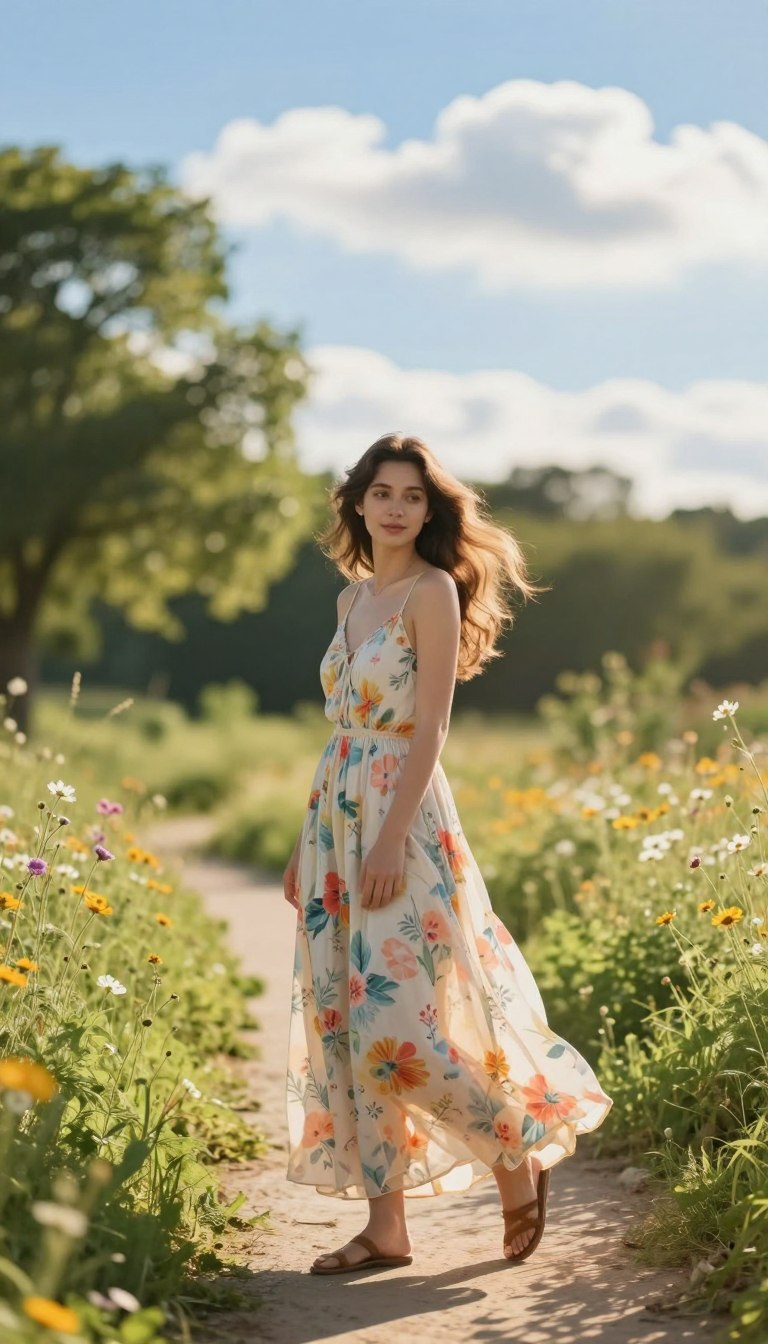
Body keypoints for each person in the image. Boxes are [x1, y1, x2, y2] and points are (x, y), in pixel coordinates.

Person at [282, 432, 613, 1275]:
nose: (395, 507)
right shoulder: (352, 599)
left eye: (412, 496)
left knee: (403, 1029)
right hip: (334, 817)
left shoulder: (431, 592)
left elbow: (429, 728)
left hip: (402, 817)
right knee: (348, 1030)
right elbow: (341, 737)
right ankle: (386, 1227)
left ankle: (514, 1153)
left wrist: (390, 837)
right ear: (358, 502)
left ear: (431, 511)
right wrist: (303, 846)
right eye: (382, 492)